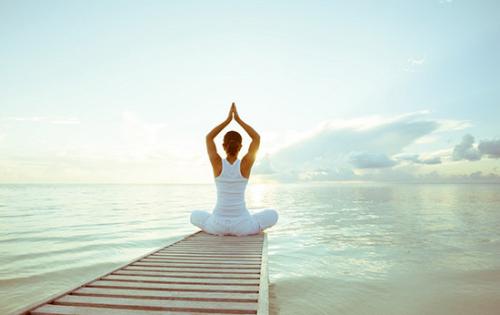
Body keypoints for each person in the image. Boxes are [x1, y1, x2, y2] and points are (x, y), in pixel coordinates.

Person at [190, 102, 279, 236]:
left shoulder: (217, 163)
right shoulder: (245, 164)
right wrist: (237, 120)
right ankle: (253, 224)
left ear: (223, 145)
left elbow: (209, 137)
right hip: (242, 226)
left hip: (217, 225)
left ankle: (226, 225)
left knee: (194, 215)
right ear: (241, 146)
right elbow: (256, 138)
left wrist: (227, 121)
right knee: (273, 214)